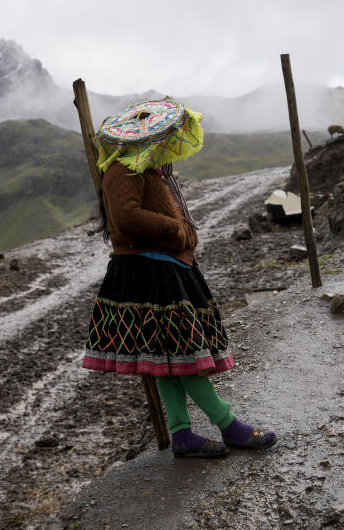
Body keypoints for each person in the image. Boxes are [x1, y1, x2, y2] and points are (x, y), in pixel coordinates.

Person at [81, 98, 276, 458]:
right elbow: (125, 218)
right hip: (149, 272)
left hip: (161, 268)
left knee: (168, 357)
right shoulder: (123, 170)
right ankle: (228, 424)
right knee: (184, 353)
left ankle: (181, 433)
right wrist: (176, 230)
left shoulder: (146, 170)